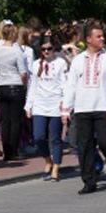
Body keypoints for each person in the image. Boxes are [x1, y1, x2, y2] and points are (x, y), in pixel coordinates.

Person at [62, 21, 106, 195]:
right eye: (98, 36)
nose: (102, 39)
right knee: (84, 145)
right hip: (82, 108)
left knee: (105, 141)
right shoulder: (78, 60)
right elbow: (71, 85)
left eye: (102, 36)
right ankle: (89, 181)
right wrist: (66, 108)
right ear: (88, 39)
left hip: (103, 106)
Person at [25, 37, 68, 181]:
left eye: (49, 49)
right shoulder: (36, 64)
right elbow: (32, 86)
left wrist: (65, 104)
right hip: (40, 104)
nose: (46, 52)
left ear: (54, 49)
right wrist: (28, 105)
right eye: (43, 49)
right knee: (38, 137)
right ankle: (47, 160)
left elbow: (65, 84)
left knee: (55, 137)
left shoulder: (61, 63)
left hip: (56, 104)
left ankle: (56, 166)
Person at [0, 23, 28, 161]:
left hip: (2, 86)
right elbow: (23, 73)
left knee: (5, 121)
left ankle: (6, 151)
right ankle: (14, 150)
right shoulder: (16, 51)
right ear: (13, 35)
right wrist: (25, 86)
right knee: (16, 121)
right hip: (16, 86)